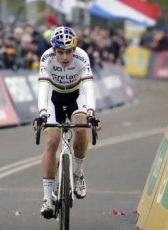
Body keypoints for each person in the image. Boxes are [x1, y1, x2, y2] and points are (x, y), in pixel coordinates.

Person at [32, 26, 102, 218]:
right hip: (53, 99)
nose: (64, 57)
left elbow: (88, 87)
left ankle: (78, 173)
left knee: (81, 130)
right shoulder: (46, 58)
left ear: (74, 49)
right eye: (60, 52)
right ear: (54, 50)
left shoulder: (82, 57)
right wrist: (42, 113)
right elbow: (43, 88)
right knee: (52, 141)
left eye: (68, 52)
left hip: (75, 96)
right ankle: (47, 198)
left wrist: (91, 113)